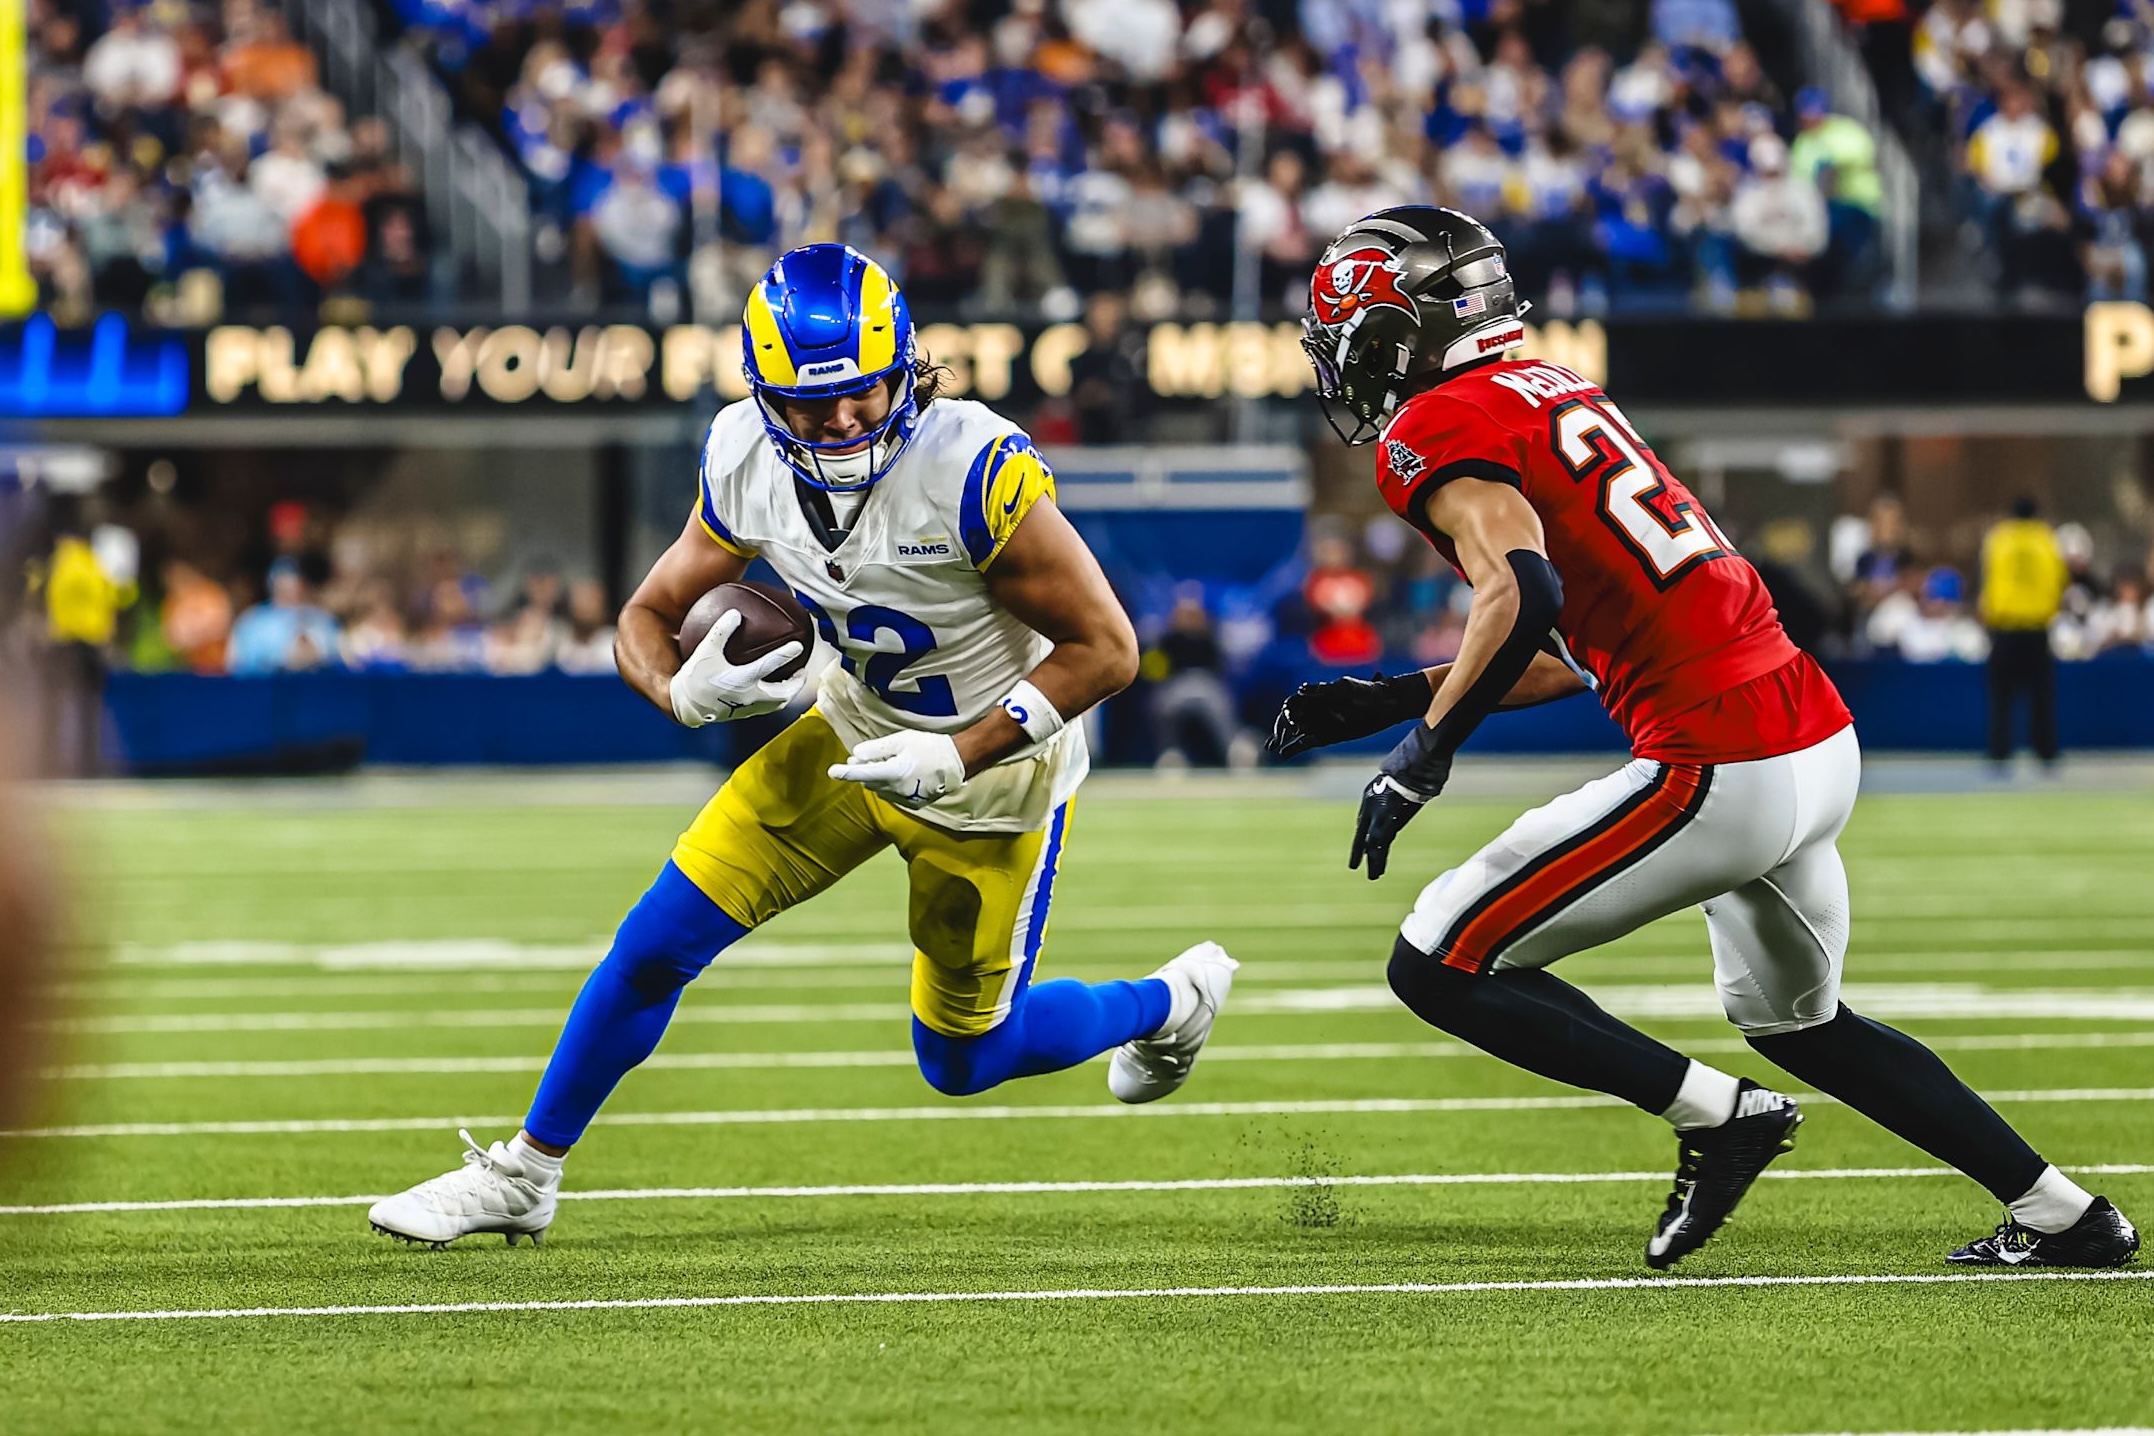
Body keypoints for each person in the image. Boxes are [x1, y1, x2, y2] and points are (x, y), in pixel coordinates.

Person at [1274, 206, 2139, 1271]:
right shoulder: (1556, 389)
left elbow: (1522, 587)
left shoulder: (1435, 426)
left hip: (1719, 756)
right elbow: (1572, 642)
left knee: (1438, 957)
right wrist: (1395, 698)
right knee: (1800, 1021)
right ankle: (2064, 1212)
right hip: (1814, 736)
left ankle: (1717, 1117)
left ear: (1393, 330)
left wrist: (1425, 757)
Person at [367, 244, 1238, 1248]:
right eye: (810, 403)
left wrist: (957, 754)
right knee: (654, 944)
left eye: (862, 394)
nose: (841, 422)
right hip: (853, 731)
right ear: (762, 393)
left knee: (962, 1058)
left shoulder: (973, 469)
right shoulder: (743, 454)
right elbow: (646, 611)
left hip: (992, 780)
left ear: (903, 370)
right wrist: (678, 690)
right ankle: (527, 1170)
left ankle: (1167, 1002)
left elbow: (1110, 650)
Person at [1979, 496, 2067, 766]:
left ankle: (1999, 751)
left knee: (2001, 696)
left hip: (2005, 628)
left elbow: (1988, 576)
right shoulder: (2046, 539)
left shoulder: (1999, 539)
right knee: (2041, 696)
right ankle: (2046, 751)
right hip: (2037, 628)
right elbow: (2058, 579)